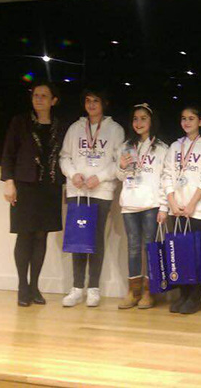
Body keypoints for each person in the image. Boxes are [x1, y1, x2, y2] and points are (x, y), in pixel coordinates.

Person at [0, 81, 66, 307]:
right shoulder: (20, 122)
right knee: (24, 235)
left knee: (41, 236)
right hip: (25, 185)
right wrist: (9, 181)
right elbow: (8, 154)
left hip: (50, 187)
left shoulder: (60, 125)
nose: (38, 99)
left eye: (44, 96)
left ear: (53, 101)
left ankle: (34, 286)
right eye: (36, 95)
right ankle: (22, 286)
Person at [59, 89, 125, 308]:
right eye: (88, 100)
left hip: (101, 192)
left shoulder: (115, 130)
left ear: (104, 103)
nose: (91, 104)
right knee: (77, 239)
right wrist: (72, 174)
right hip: (77, 192)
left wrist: (101, 177)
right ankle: (77, 288)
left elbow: (119, 162)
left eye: (96, 100)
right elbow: (64, 157)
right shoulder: (75, 128)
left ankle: (94, 288)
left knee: (96, 239)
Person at [161, 105, 201, 315]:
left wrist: (193, 203)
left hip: (197, 209)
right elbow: (166, 175)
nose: (186, 122)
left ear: (200, 122)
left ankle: (195, 296)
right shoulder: (175, 146)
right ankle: (183, 294)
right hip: (176, 209)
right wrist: (172, 202)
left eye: (191, 118)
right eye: (184, 118)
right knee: (178, 252)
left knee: (194, 253)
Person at [116, 103, 168, 309]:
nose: (138, 123)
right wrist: (121, 166)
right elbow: (120, 176)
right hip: (129, 204)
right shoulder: (126, 146)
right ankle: (133, 291)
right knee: (133, 248)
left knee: (150, 247)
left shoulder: (162, 148)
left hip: (151, 204)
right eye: (135, 119)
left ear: (152, 121)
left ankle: (149, 291)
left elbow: (165, 179)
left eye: (143, 118)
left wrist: (163, 206)